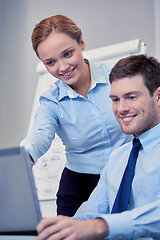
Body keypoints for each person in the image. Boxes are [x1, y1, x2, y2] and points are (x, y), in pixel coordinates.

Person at [35, 54, 160, 240]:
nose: (121, 108)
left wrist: (101, 226)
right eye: (115, 99)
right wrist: (63, 227)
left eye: (131, 97)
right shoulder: (119, 158)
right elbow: (94, 209)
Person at [21, 15, 131, 217]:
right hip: (80, 188)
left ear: (81, 42)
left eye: (68, 53)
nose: (62, 67)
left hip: (128, 175)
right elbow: (40, 134)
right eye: (51, 62)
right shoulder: (52, 101)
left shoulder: (119, 77)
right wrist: (24, 158)